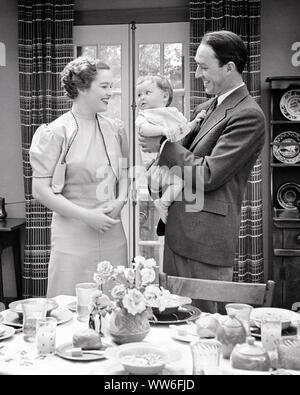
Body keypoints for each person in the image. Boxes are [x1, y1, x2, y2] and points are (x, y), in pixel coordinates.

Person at [138, 30, 266, 313]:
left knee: (205, 329)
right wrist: (156, 177)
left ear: (229, 68)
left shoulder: (248, 114)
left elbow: (207, 174)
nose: (197, 74)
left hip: (205, 241)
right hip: (177, 232)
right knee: (174, 320)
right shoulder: (207, 107)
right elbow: (178, 163)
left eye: (204, 67)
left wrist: (162, 145)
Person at [29, 57, 129, 297]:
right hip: (72, 235)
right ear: (82, 88)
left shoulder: (116, 129)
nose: (111, 92)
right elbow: (40, 190)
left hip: (112, 232)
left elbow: (126, 172)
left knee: (116, 303)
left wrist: (120, 200)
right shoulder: (55, 132)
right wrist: (87, 216)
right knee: (72, 307)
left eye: (111, 86)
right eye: (104, 87)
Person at [136, 75, 206, 223]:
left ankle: (163, 202)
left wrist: (195, 121)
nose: (142, 97)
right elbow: (143, 129)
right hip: (155, 166)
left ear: (164, 96)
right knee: (179, 182)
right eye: (139, 95)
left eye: (147, 93)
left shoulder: (172, 114)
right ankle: (163, 204)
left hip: (170, 164)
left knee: (179, 182)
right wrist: (161, 131)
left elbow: (183, 130)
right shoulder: (144, 115)